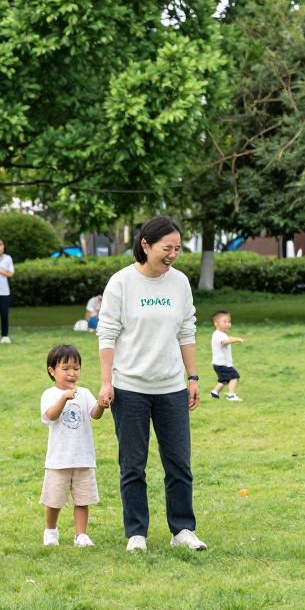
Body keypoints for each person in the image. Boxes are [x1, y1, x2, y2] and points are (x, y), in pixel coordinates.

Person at [96, 216, 207, 553]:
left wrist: (192, 377)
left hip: (171, 388)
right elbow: (107, 334)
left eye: (177, 248)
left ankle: (182, 529)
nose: (173, 254)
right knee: (133, 464)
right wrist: (106, 382)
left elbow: (186, 331)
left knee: (179, 462)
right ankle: (136, 534)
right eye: (166, 248)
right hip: (129, 388)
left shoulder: (180, 283)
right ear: (145, 244)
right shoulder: (121, 283)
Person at [40, 344, 105, 548]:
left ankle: (81, 535)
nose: (71, 373)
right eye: (65, 368)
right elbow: (50, 416)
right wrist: (63, 399)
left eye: (76, 368)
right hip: (59, 459)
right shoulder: (49, 394)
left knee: (82, 499)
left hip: (83, 457)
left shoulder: (84, 393)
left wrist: (101, 405)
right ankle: (51, 530)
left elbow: (94, 414)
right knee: (54, 499)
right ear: (52, 371)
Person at [210, 310, 244, 401]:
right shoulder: (219, 335)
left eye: (229, 322)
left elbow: (226, 339)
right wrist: (236, 339)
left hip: (218, 363)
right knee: (234, 376)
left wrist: (233, 338)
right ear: (216, 323)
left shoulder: (220, 334)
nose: (228, 324)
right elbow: (224, 342)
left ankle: (215, 392)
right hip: (222, 364)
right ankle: (231, 395)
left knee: (224, 380)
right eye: (224, 321)